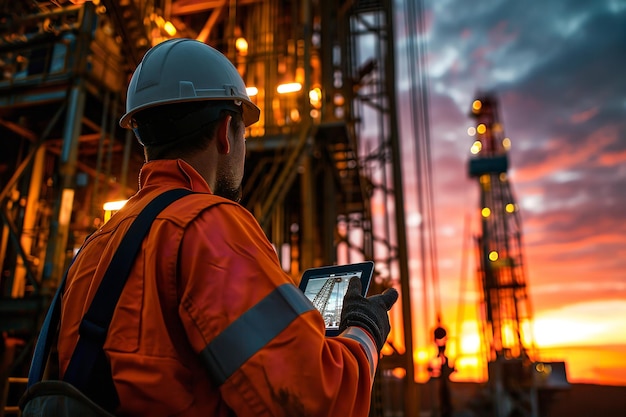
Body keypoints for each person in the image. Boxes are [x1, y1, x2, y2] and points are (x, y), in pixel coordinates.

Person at [57, 38, 398, 417]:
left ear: (142, 136)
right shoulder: (208, 226)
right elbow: (320, 399)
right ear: (225, 131)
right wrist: (364, 331)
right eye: (244, 132)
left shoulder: (98, 242)